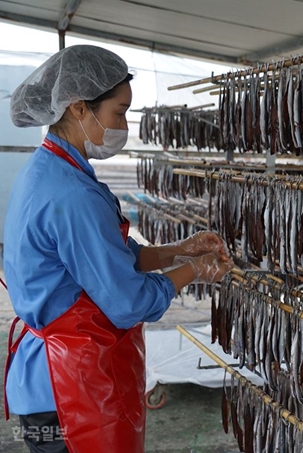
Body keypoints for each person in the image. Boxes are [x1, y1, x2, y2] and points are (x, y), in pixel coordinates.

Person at [3, 45, 234, 453]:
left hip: (45, 382)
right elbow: (128, 302)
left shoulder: (47, 171)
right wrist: (193, 271)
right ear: (78, 108)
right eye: (118, 112)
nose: (123, 124)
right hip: (71, 388)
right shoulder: (71, 194)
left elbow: (107, 254)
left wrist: (179, 250)